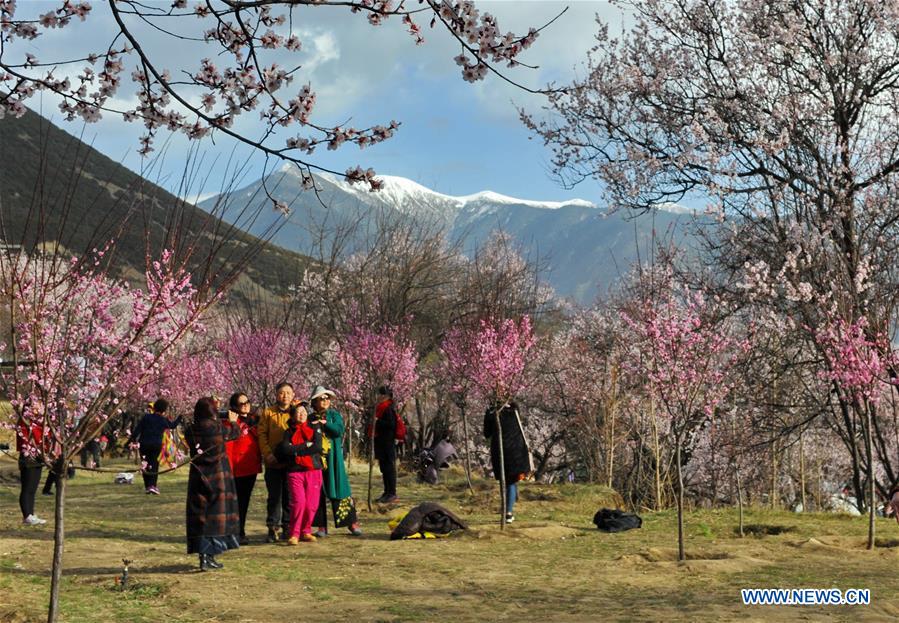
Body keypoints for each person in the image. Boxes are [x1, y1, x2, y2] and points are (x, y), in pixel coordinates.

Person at [184, 397, 241, 571]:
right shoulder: (219, 428)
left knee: (201, 516)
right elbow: (235, 434)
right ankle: (210, 556)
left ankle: (204, 557)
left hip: (198, 477)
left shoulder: (190, 430)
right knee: (215, 518)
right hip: (218, 476)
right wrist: (234, 422)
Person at [309, 386, 362, 537]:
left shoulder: (334, 415)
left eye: (327, 398)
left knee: (340, 488)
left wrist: (325, 423)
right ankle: (321, 526)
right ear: (314, 402)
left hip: (333, 459)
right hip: (316, 459)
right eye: (321, 398)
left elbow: (338, 430)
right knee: (317, 491)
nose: (325, 401)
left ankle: (351, 522)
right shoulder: (310, 418)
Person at [276, 403, 323, 544]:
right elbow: (285, 450)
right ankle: (294, 533)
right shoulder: (288, 432)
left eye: (303, 411)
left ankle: (306, 531)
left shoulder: (315, 427)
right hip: (295, 471)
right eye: (298, 412)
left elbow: (317, 447)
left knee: (311, 504)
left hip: (313, 469)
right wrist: (305, 446)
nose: (301, 414)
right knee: (299, 503)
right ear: (293, 416)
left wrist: (295, 449)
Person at [483, 400, 533, 523]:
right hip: (516, 449)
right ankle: (508, 511)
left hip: (500, 450)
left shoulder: (491, 411)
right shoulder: (514, 408)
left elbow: (487, 433)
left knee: (506, 481)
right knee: (512, 481)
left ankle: (507, 511)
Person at [256, 382, 295, 542]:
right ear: (276, 395)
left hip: (291, 462)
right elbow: (262, 435)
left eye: (288, 392)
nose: (284, 395)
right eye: (281, 392)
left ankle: (288, 526)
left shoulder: (296, 412)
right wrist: (267, 454)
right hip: (273, 461)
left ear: (293, 395)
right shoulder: (268, 413)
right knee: (274, 496)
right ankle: (272, 527)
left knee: (289, 496)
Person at [223, 392, 262, 545]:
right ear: (234, 407)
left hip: (250, 467)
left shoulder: (254, 421)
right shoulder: (230, 423)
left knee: (244, 502)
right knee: (235, 503)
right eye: (241, 403)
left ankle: (240, 531)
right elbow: (229, 448)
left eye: (247, 401)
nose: (246, 405)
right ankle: (234, 533)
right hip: (236, 469)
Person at [129, 399, 182, 494]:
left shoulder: (146, 417)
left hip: (144, 444)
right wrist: (180, 417)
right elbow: (173, 425)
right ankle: (153, 485)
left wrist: (132, 440)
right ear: (164, 410)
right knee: (154, 464)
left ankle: (147, 486)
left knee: (145, 464)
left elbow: (137, 430)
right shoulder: (163, 420)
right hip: (156, 445)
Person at [16, 414, 47, 525]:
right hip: (28, 456)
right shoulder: (25, 421)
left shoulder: (38, 420)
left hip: (37, 456)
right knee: (27, 488)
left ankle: (30, 514)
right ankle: (27, 515)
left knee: (32, 489)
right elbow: (23, 438)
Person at [373, 385, 401, 503]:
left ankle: (392, 493)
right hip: (381, 442)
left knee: (389, 468)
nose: (378, 396)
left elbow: (391, 425)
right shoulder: (381, 408)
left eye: (381, 394)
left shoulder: (388, 408)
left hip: (387, 443)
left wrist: (378, 421)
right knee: (384, 468)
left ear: (386, 396)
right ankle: (386, 492)